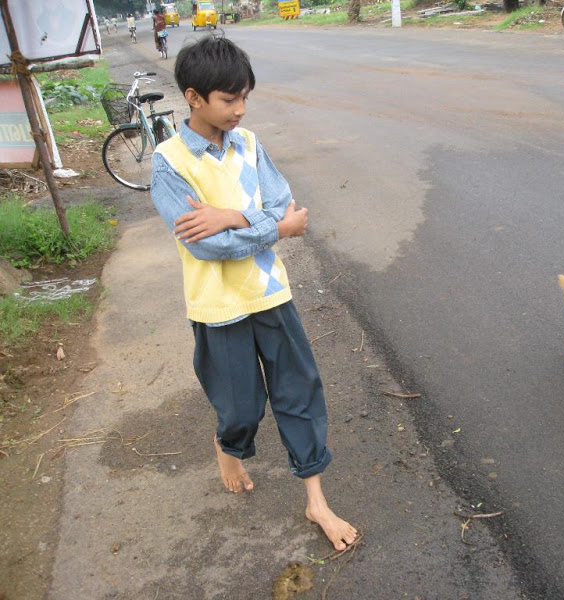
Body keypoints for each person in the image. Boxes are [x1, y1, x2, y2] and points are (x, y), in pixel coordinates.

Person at [149, 36, 358, 552]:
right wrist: (272, 229)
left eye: (245, 96)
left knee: (299, 393)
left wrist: (233, 215)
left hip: (270, 294)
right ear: (194, 97)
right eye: (228, 99)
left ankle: (316, 499)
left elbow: (286, 204)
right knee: (241, 408)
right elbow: (211, 249)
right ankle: (228, 444)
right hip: (217, 305)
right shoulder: (169, 162)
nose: (240, 109)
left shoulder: (249, 143)